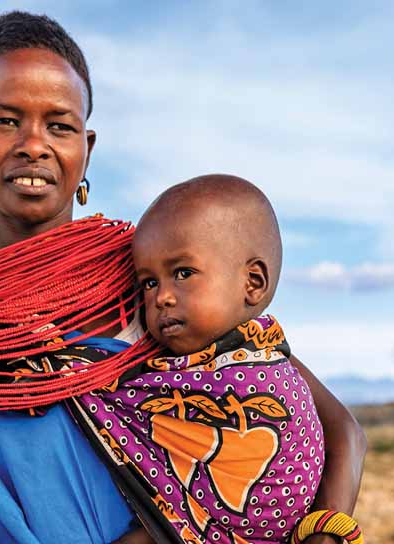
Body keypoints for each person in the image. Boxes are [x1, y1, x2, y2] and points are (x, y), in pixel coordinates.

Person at [0, 10, 366, 544]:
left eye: (59, 125)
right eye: (5, 120)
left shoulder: (154, 277)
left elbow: (339, 429)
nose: (34, 144)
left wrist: (327, 534)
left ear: (87, 147)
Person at [53, 173, 364, 543]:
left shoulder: (265, 358)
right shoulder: (156, 356)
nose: (161, 297)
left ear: (253, 283)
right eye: (149, 282)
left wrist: (327, 533)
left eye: (183, 273)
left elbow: (346, 433)